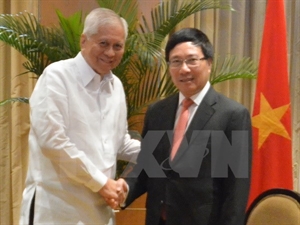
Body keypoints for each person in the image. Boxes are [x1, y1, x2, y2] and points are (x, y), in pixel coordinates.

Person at [19, 8, 140, 225]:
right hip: (56, 211)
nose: (110, 53)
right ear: (84, 41)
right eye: (103, 43)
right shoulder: (57, 76)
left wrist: (162, 151)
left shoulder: (116, 86)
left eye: (117, 46)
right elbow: (53, 142)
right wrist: (102, 183)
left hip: (99, 213)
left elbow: (118, 143)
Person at [122, 28, 252, 225]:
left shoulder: (232, 115)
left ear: (209, 63)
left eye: (192, 60)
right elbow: (148, 167)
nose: (184, 69)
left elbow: (236, 192)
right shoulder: (157, 112)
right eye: (176, 61)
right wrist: (122, 190)